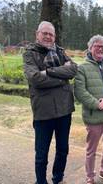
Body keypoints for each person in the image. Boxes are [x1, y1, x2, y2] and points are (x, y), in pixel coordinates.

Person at [23, 21, 77, 184]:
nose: (48, 36)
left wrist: (48, 72)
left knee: (63, 149)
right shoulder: (30, 54)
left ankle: (58, 178)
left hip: (64, 109)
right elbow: (35, 79)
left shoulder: (59, 51)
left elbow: (73, 69)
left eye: (51, 34)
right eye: (44, 33)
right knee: (41, 153)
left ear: (54, 36)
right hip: (43, 111)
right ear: (37, 34)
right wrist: (62, 79)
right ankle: (41, 181)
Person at [74, 35, 103, 184]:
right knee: (91, 150)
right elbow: (80, 92)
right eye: (97, 46)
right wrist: (97, 104)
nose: (100, 49)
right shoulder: (82, 68)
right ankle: (90, 176)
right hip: (94, 117)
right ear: (90, 48)